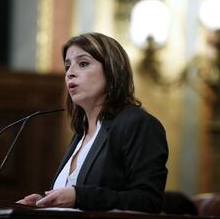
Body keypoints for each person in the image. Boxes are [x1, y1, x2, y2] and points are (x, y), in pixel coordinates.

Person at [17, 32, 169, 212]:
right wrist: (45, 202)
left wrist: (79, 197)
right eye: (67, 66)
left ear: (112, 71)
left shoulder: (138, 124)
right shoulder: (81, 134)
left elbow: (148, 201)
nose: (70, 73)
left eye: (83, 64)